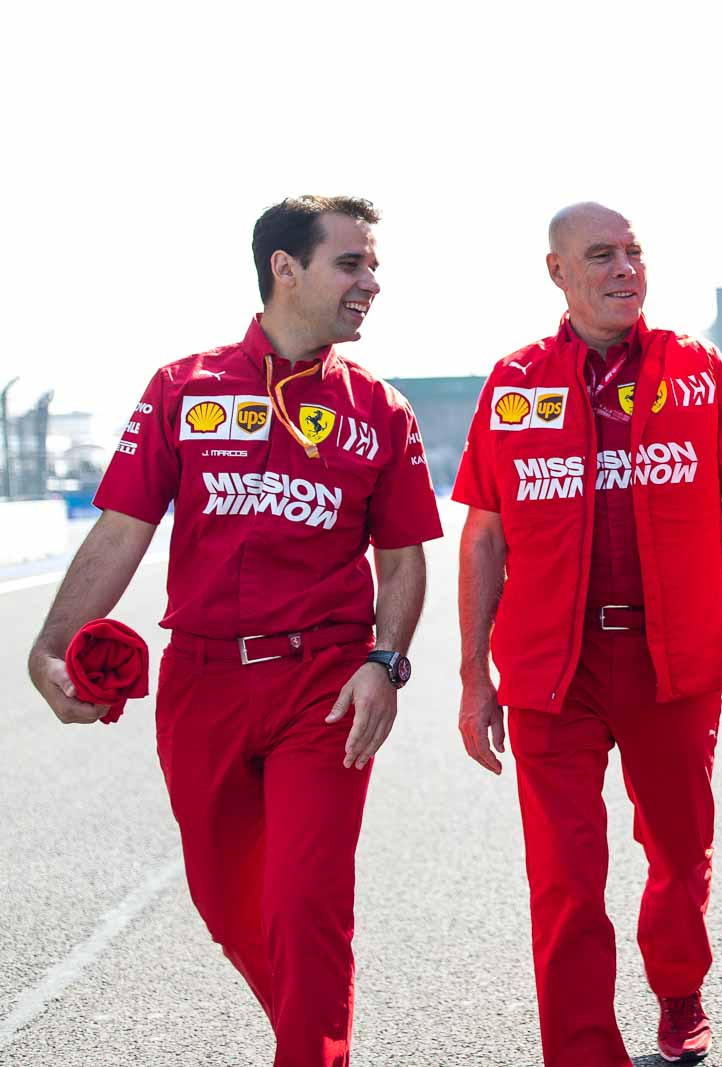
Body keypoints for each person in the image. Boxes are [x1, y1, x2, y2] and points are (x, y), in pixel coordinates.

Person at [26, 195, 442, 1067]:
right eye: (351, 263)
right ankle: (312, 1030)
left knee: (306, 901)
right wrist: (53, 645)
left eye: (372, 264)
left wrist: (385, 663)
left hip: (323, 686)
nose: (372, 281)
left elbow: (402, 561)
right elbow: (119, 532)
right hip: (202, 684)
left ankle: (311, 1054)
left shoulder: (382, 410)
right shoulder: (183, 387)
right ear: (283, 268)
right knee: (227, 904)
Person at [454, 202, 722, 1066]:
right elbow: (483, 534)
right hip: (549, 670)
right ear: (557, 272)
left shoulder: (700, 371)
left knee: (678, 855)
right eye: (601, 255)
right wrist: (471, 676)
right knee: (564, 880)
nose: (625, 269)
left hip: (671, 660)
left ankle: (679, 994)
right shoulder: (513, 381)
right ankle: (582, 1049)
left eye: (634, 252)